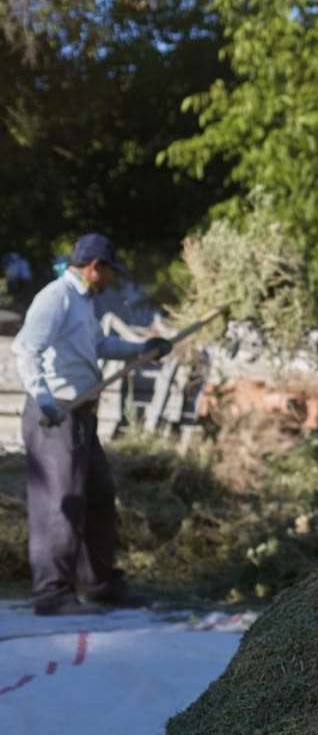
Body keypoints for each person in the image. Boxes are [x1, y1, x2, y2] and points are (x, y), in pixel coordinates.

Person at [12, 233, 172, 615]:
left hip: (81, 415)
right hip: (55, 415)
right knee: (60, 503)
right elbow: (25, 349)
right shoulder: (56, 297)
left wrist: (142, 349)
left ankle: (101, 584)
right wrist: (45, 400)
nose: (112, 280)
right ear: (94, 267)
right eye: (110, 272)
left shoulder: (84, 304)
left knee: (99, 495)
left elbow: (98, 347)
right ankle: (52, 593)